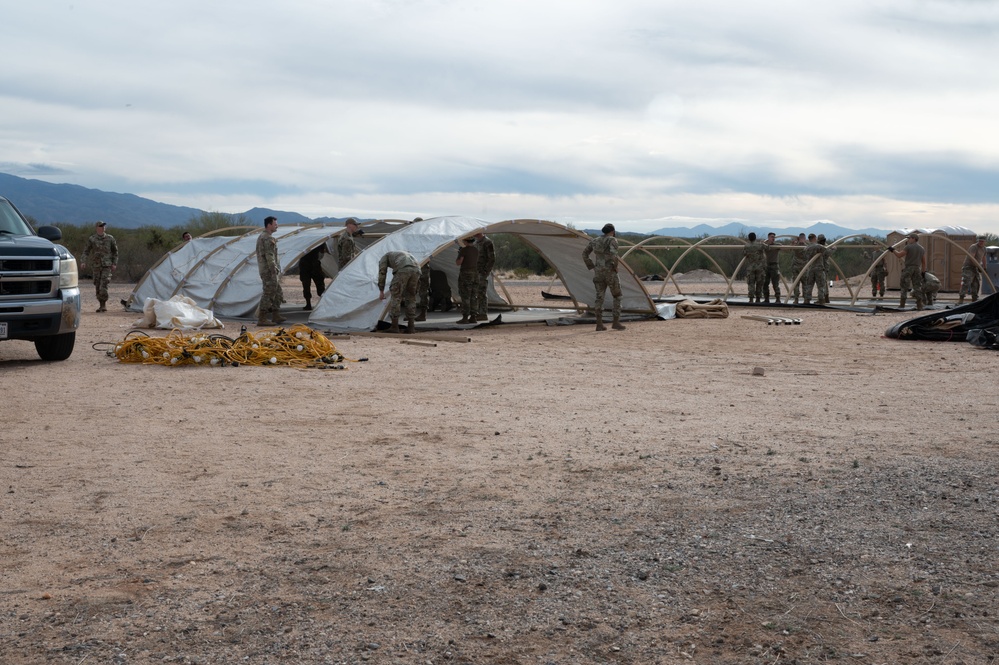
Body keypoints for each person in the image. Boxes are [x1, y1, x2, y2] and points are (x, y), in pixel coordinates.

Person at [582, 223, 626, 331]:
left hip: (598, 273)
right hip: (610, 272)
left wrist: (591, 266)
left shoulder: (594, 240)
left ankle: (599, 324)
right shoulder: (612, 240)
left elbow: (584, 254)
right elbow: (614, 255)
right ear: (613, 231)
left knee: (599, 297)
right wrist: (615, 267)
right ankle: (615, 322)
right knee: (617, 296)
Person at [378, 250, 422, 333]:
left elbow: (382, 273)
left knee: (396, 296)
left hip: (403, 270)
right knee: (411, 297)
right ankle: (411, 327)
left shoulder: (384, 257)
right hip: (417, 270)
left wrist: (381, 290)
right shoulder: (400, 254)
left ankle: (394, 326)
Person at [81, 221, 118, 312]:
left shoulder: (110, 238)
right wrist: (83, 261)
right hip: (96, 265)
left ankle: (103, 305)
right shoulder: (92, 239)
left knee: (104, 284)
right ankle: (100, 304)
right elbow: (86, 251)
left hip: (106, 265)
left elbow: (115, 252)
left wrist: (114, 263)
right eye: (101, 226)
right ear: (97, 228)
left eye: (104, 226)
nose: (103, 227)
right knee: (97, 284)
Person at [255, 216, 286, 325]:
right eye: (275, 224)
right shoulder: (267, 238)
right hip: (268, 271)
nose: (277, 226)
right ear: (269, 225)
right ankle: (262, 318)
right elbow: (269, 257)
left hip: (267, 270)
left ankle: (275, 315)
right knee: (269, 292)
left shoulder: (262, 237)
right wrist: (274, 272)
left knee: (277, 292)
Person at [890, 232, 926, 310]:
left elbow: (899, 255)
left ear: (914, 239)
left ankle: (902, 305)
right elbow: (923, 262)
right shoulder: (921, 248)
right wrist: (923, 272)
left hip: (909, 268)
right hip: (917, 269)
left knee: (904, 286)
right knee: (917, 287)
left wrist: (893, 250)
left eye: (909, 238)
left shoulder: (908, 247)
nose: (908, 239)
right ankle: (919, 305)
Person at [455, 237, 479, 324]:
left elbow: (459, 263)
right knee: (474, 295)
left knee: (465, 295)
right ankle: (473, 316)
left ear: (465, 241)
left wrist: (459, 254)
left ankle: (465, 317)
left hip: (466, 274)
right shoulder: (476, 250)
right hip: (475, 274)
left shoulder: (464, 250)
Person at [958, 236, 987, 304]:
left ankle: (974, 300)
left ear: (985, 242)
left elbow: (984, 258)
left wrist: (985, 267)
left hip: (975, 267)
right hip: (968, 267)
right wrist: (979, 266)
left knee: (976, 283)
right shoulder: (974, 247)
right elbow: (972, 258)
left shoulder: (984, 249)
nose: (981, 242)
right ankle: (961, 299)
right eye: (980, 241)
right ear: (978, 241)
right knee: (966, 282)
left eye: (982, 241)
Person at [474, 231, 495, 321]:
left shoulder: (487, 242)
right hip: (475, 271)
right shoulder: (476, 243)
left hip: (482, 272)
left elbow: (492, 258)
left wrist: (486, 271)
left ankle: (482, 313)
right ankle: (478, 312)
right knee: (476, 293)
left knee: (481, 292)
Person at [299, 243, 327, 311]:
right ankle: (323, 304)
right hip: (314, 264)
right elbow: (323, 251)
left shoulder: (302, 240)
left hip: (305, 264)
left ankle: (308, 304)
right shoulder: (318, 239)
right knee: (319, 285)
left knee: (306, 285)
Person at [742, 232, 766, 303]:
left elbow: (744, 253)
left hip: (750, 267)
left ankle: (751, 299)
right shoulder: (760, 245)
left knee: (751, 283)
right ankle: (758, 299)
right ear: (755, 237)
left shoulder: (747, 246)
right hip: (759, 267)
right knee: (759, 283)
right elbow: (768, 248)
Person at [762, 232, 781, 304]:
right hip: (766, 265)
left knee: (775, 283)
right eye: (771, 237)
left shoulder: (777, 245)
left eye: (774, 237)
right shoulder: (765, 245)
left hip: (774, 265)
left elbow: (785, 249)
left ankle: (778, 299)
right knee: (765, 283)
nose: (773, 238)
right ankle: (766, 299)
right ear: (768, 237)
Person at [789, 233, 807, 304]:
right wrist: (793, 243)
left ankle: (804, 299)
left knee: (803, 284)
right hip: (799, 267)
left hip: (803, 267)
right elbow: (790, 249)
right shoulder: (800, 246)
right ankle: (797, 299)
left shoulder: (806, 246)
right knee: (798, 284)